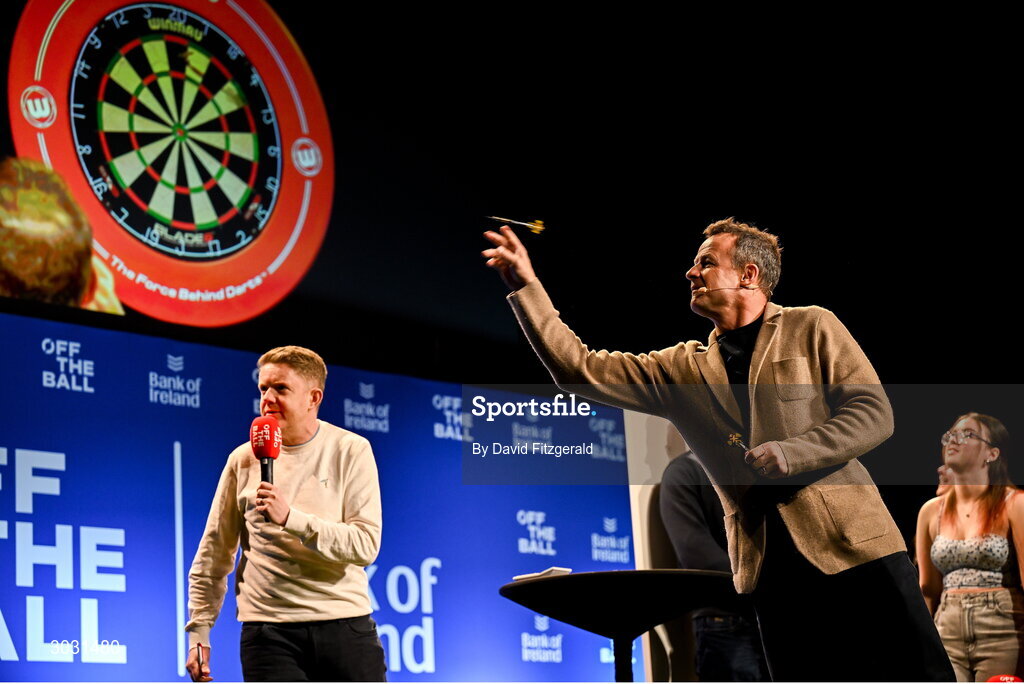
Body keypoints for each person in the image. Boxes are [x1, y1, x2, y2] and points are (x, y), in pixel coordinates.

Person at [482, 218, 954, 681]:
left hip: (857, 551)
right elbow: (579, 370)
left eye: (706, 262)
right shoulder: (681, 370)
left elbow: (874, 413)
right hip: (772, 575)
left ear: (748, 274)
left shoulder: (812, 325)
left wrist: (794, 452)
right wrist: (527, 287)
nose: (691, 272)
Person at [185, 346, 385, 682]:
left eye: (281, 388)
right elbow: (215, 551)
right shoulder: (242, 459)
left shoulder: (351, 450)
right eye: (263, 388)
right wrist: (199, 631)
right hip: (268, 635)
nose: (267, 399)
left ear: (313, 398)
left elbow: (365, 545)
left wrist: (292, 519)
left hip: (345, 627)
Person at [916, 413, 1024, 681]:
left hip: (1002, 629)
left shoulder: (1015, 503)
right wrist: (923, 646)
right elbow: (928, 589)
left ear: (992, 453)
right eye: (950, 435)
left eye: (968, 435)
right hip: (947, 628)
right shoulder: (931, 511)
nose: (954, 440)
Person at [660, 438, 769, 681]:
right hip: (724, 620)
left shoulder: (751, 468)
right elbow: (695, 553)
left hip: (766, 615)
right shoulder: (683, 472)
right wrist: (760, 585)